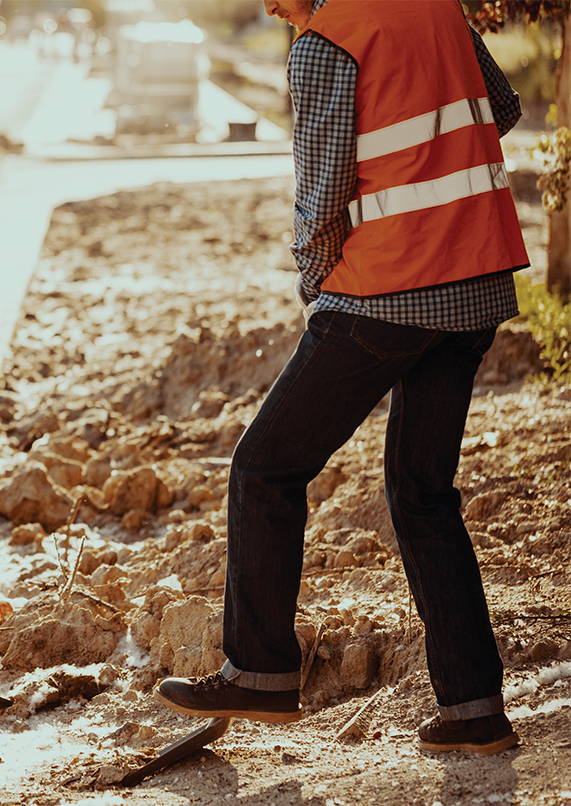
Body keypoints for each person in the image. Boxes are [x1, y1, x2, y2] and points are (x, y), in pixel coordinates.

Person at [155, 0, 527, 756]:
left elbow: (321, 197)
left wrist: (318, 282)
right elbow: (505, 107)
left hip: (387, 291)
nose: (268, 7)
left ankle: (259, 672)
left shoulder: (328, 45)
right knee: (422, 494)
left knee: (264, 468)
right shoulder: (433, 8)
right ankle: (474, 710)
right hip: (477, 281)